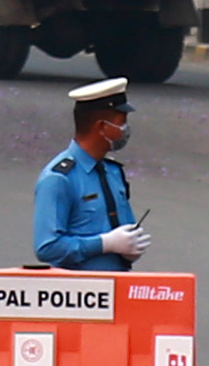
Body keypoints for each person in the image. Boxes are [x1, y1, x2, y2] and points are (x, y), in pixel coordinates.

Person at [33, 79, 150, 269]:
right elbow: (47, 247)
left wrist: (130, 248)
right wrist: (104, 244)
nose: (125, 130)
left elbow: (125, 230)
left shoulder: (112, 172)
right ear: (101, 127)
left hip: (117, 287)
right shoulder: (59, 178)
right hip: (78, 293)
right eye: (121, 122)